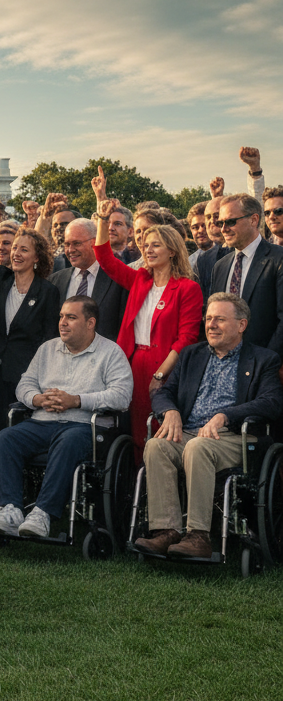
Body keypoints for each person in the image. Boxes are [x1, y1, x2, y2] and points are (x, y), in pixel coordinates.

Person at [135, 294, 283, 558]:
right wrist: (169, 411)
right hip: (189, 432)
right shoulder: (192, 354)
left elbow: (272, 402)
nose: (211, 325)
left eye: (220, 320)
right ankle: (166, 532)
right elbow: (163, 391)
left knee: (198, 448)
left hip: (233, 437)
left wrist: (226, 415)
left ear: (241, 325)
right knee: (156, 446)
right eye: (209, 319)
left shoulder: (263, 359)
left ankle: (198, 536)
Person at [0, 296, 133, 538]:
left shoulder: (111, 353)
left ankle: (43, 514)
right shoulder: (47, 349)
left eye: (71, 317)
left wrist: (77, 400)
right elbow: (25, 384)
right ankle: (10, 510)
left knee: (68, 441)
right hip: (42, 421)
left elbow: (122, 396)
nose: (63, 322)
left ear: (90, 323)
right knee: (7, 437)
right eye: (61, 316)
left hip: (84, 426)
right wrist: (36, 399)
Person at [93, 196, 203, 458]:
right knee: (134, 428)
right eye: (145, 245)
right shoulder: (140, 279)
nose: (148, 250)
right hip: (132, 362)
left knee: (159, 429)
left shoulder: (188, 288)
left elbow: (187, 338)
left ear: (173, 251)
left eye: (156, 245)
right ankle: (134, 489)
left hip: (166, 365)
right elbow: (105, 258)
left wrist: (160, 374)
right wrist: (102, 217)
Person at [0, 184, 60, 456]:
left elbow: (50, 338)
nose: (15, 253)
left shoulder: (47, 292)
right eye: (14, 248)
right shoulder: (1, 279)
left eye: (23, 250)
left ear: (37, 257)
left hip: (27, 377)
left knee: (22, 438)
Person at [210, 192, 283, 355]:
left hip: (266, 365)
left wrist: (267, 362)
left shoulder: (279, 259)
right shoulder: (220, 267)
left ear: (254, 220)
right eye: (220, 222)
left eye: (230, 221)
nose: (223, 229)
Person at [48, 218, 128, 341]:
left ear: (94, 243)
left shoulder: (116, 280)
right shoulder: (56, 280)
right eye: (67, 244)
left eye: (77, 243)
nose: (70, 250)